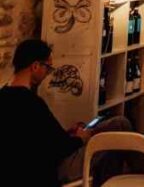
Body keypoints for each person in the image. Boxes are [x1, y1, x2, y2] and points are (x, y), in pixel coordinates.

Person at [0, 39, 132, 186]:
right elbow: (60, 148)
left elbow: (41, 137)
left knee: (117, 125)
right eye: (48, 68)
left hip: (38, 162)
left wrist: (68, 133)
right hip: (56, 169)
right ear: (35, 66)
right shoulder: (32, 103)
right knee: (119, 129)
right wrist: (81, 138)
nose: (47, 74)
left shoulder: (4, 95)